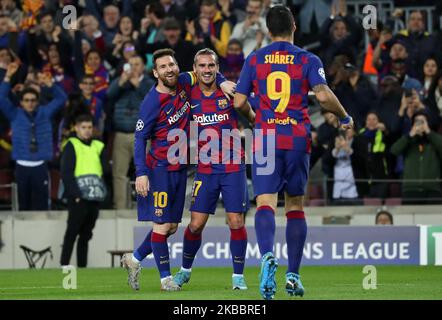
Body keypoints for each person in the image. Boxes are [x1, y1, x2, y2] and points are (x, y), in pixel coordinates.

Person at [234, 5, 353, 300]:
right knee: (295, 205)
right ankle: (293, 276)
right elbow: (323, 96)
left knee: (264, 202)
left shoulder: (255, 58)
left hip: (265, 137)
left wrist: (255, 117)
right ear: (294, 27)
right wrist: (345, 116)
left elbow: (237, 102)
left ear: (268, 29)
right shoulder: (307, 58)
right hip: (297, 137)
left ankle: (266, 256)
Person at [120, 48, 234, 291]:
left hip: (180, 168)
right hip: (159, 169)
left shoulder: (184, 80)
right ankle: (165, 279)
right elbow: (140, 138)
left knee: (171, 227)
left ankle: (134, 259)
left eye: (171, 64)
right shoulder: (151, 102)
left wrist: (223, 82)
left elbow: (207, 72)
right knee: (161, 227)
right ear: (155, 72)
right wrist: (141, 172)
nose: (169, 70)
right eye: (163, 67)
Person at [172, 49, 250, 290]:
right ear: (195, 69)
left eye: (211, 66)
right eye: (202, 66)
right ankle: (185, 271)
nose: (207, 70)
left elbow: (250, 110)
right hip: (205, 168)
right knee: (195, 224)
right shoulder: (189, 93)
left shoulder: (228, 92)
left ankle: (238, 277)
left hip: (233, 165)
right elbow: (172, 78)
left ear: (217, 67)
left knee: (236, 221)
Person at [0, 62, 67, 211]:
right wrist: (8, 77)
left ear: (37, 102)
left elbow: (61, 99)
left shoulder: (45, 112)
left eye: (33, 100)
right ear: (21, 102)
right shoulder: (14, 114)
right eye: (26, 100)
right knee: (23, 205)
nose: (30, 103)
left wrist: (50, 84)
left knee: (41, 205)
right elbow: (0, 98)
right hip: (21, 166)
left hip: (40, 166)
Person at [107, 55, 154, 209]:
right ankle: (121, 207)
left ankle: (149, 205)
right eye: (131, 64)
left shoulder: (148, 83)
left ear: (143, 67)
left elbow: (152, 101)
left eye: (137, 64)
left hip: (141, 135)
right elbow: (109, 95)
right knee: (119, 174)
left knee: (145, 171)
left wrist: (136, 85)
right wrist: (121, 81)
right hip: (121, 134)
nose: (133, 67)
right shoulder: (121, 82)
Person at [60, 114, 107, 267]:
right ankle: (64, 265)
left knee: (86, 235)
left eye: (89, 127)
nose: (87, 131)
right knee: (71, 233)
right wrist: (76, 195)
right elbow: (66, 172)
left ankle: (82, 267)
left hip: (94, 198)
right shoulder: (71, 144)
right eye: (83, 127)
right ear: (76, 128)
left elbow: (105, 171)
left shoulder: (98, 146)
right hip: (79, 197)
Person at [391, 111, 442, 204]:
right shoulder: (408, 141)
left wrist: (429, 132)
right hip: (411, 189)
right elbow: (394, 150)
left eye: (423, 121)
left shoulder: (434, 140)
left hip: (432, 189)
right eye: (417, 121)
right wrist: (410, 135)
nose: (420, 124)